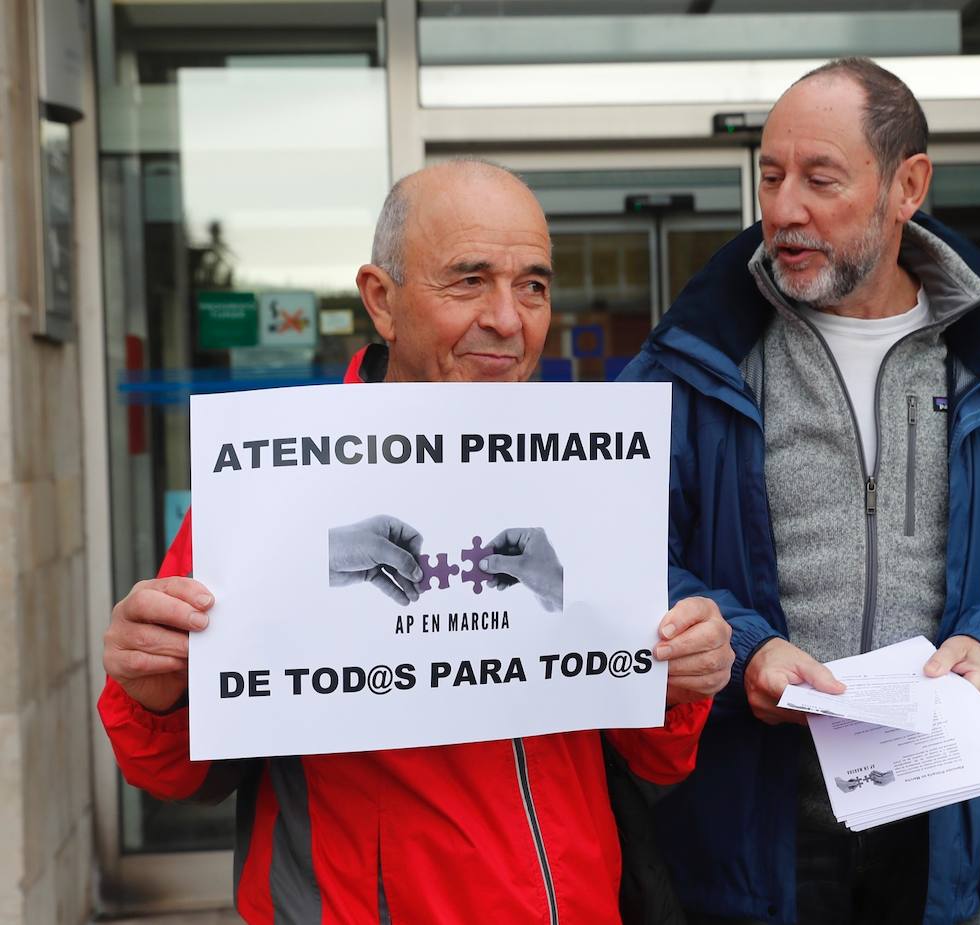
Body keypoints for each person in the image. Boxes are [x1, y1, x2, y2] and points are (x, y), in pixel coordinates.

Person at [99, 159, 735, 923]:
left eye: (533, 283)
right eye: (470, 280)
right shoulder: (273, 490)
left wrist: (682, 679)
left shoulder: (586, 478)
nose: (509, 317)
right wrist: (152, 690)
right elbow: (172, 771)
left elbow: (654, 755)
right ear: (381, 300)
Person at [618, 58, 980, 925]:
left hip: (945, 838)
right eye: (770, 177)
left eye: (820, 179)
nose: (783, 209)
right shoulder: (690, 365)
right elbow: (621, 557)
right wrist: (744, 651)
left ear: (907, 185)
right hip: (747, 838)